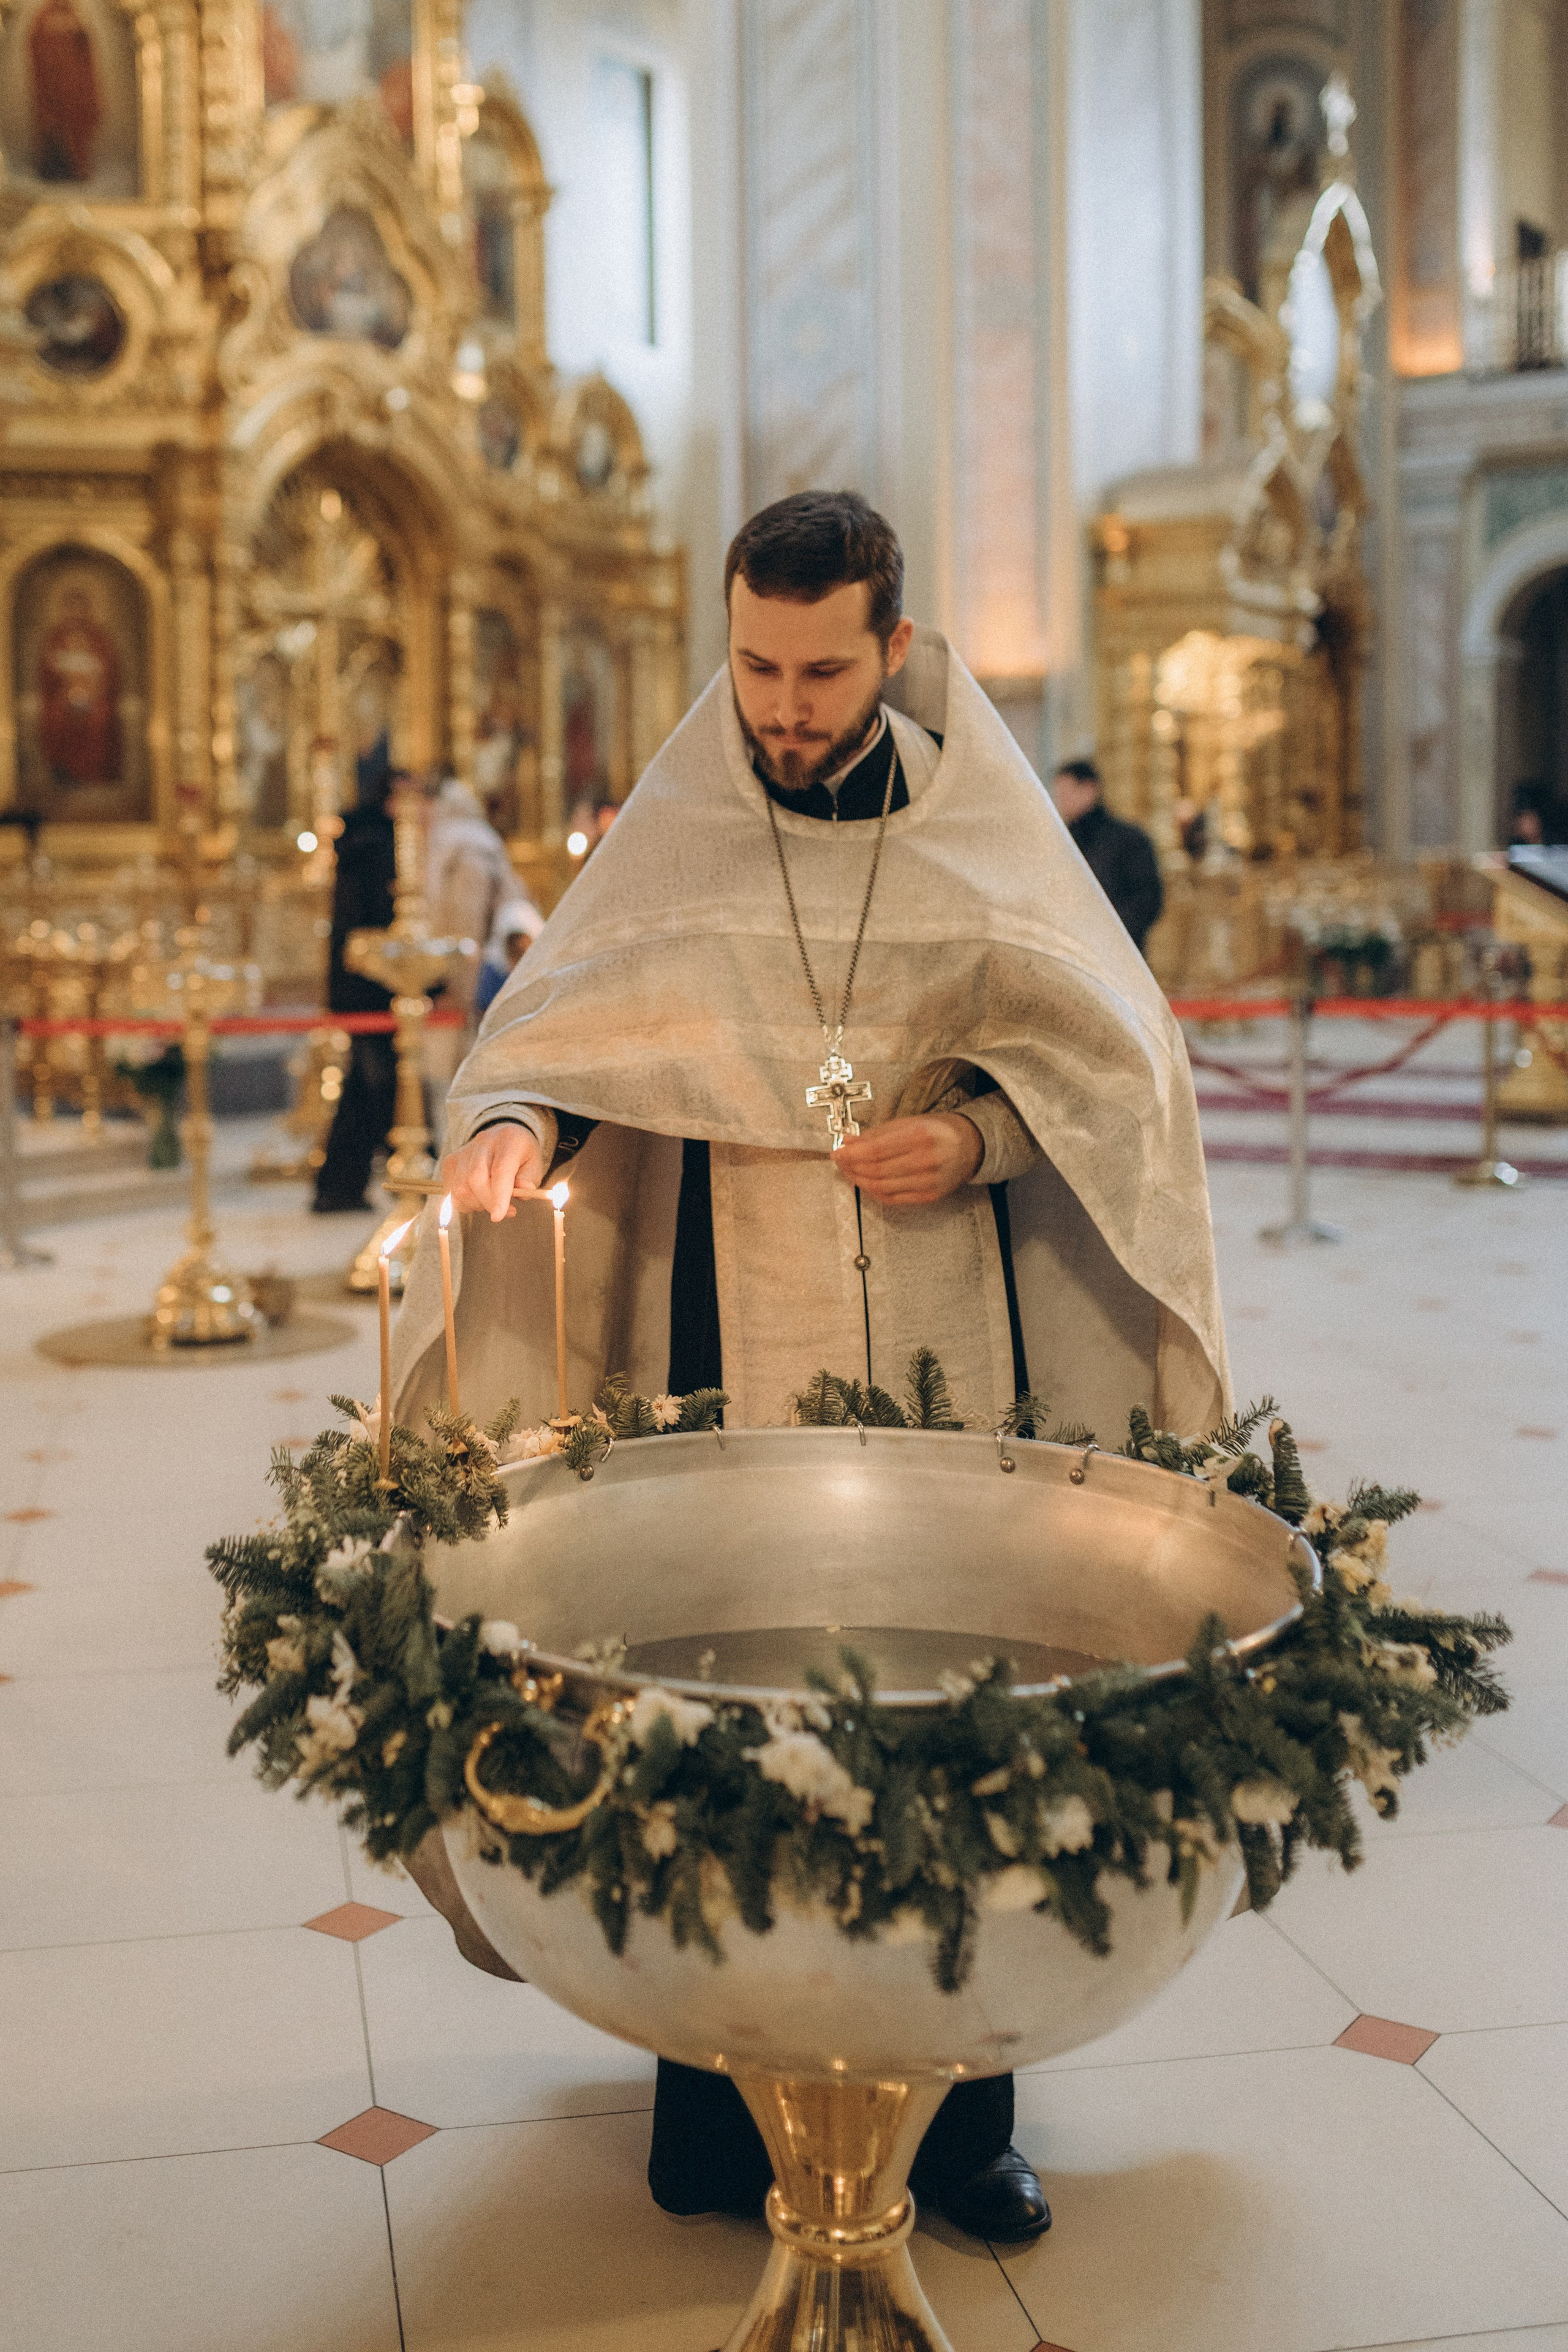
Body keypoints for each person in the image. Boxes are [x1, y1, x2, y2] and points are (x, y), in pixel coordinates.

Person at [393, 490, 1229, 2244]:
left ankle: (964, 2121)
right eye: (755, 667)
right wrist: (514, 1127)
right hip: (723, 1331)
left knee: (952, 1684)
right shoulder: (680, 824)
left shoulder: (977, 829)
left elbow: (1117, 1069)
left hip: (951, 1333)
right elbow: (560, 1026)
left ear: (893, 649)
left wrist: (978, 1139)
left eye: (821, 671)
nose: (781, 707)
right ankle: (718, 2098)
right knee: (719, 1680)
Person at [312, 767, 399, 1213]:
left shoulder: (358, 843)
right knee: (375, 1084)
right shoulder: (376, 847)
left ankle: (341, 1184)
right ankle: (343, 1184)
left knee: (367, 1086)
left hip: (357, 987)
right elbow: (379, 919)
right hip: (370, 987)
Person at [1050, 758, 1164, 955]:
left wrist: (1105, 934)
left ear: (1089, 790)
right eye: (1058, 794)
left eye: (1066, 793)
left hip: (1118, 952)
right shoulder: (1062, 840)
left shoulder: (1128, 839)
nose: (1060, 801)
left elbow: (1147, 900)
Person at [473, 892, 545, 1019]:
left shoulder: (545, 967)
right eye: (514, 940)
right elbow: (485, 1009)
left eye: (523, 939)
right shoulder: (495, 969)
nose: (519, 945)